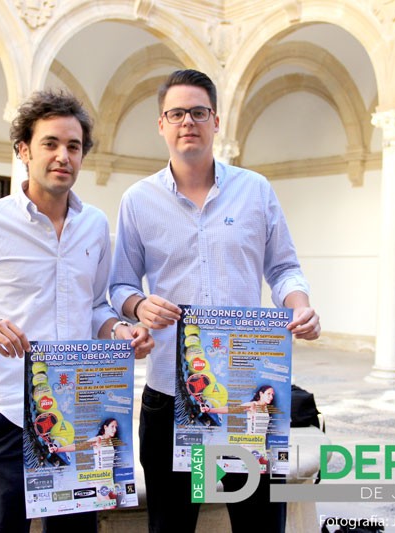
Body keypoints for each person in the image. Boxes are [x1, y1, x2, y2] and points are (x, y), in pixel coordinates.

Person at [0, 89, 153, 533]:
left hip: (79, 413)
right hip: (7, 414)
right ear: (24, 150)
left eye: (74, 146)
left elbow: (95, 306)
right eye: (50, 143)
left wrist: (119, 330)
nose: (63, 156)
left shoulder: (95, 225)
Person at [109, 69, 321, 533]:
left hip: (249, 395)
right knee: (171, 527)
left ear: (216, 121)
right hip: (171, 397)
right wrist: (139, 306)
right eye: (176, 113)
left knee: (259, 525)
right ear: (161, 124)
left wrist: (300, 304)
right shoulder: (137, 200)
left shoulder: (255, 190)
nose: (188, 121)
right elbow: (119, 285)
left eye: (198, 112)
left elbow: (284, 269)